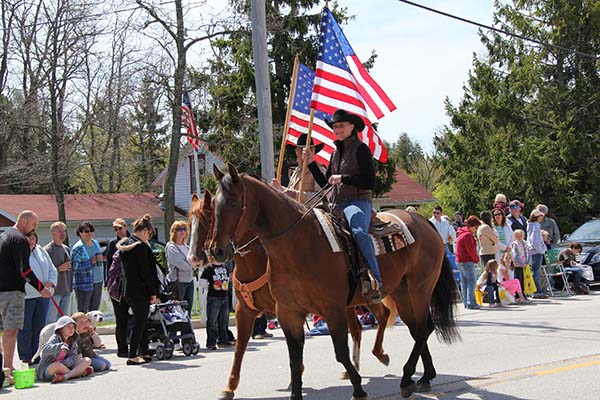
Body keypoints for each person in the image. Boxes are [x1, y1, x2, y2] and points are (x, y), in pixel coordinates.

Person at [305, 109, 382, 301]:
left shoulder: (361, 149)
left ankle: (375, 279)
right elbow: (325, 184)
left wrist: (343, 178)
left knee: (358, 232)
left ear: (352, 127)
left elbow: (370, 181)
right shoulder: (335, 153)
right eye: (335, 126)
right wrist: (311, 163)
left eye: (341, 125)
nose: (337, 129)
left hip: (357, 201)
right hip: (335, 204)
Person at [0, 210, 49, 384]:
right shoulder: (20, 239)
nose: (34, 228)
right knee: (11, 329)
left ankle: (5, 367)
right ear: (22, 221)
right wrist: (40, 288)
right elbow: (25, 270)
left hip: (2, 289)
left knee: (6, 329)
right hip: (12, 290)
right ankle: (7, 369)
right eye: (34, 224)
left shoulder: (5, 235)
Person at [117, 214, 160, 365]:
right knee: (140, 322)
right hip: (140, 290)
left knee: (140, 321)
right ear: (143, 231)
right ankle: (133, 354)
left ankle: (145, 352)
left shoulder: (126, 245)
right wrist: (153, 292)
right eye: (149, 233)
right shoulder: (141, 247)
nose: (148, 236)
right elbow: (147, 272)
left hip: (127, 290)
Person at [18, 231, 57, 364]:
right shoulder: (19, 253)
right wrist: (38, 286)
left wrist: (50, 283)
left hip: (44, 295)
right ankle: (26, 356)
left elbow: (52, 268)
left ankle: (37, 354)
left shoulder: (41, 250)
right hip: (27, 296)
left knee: (39, 327)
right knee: (26, 328)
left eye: (33, 237)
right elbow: (23, 273)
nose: (31, 240)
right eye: (28, 237)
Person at [272, 133, 327, 207]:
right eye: (300, 149)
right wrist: (280, 188)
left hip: (311, 214)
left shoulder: (319, 171)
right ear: (296, 152)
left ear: (312, 151)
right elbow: (290, 192)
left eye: (306, 149)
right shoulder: (296, 171)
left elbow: (321, 198)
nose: (303, 152)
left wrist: (296, 195)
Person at [36, 315, 92, 383]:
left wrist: (65, 363)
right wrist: (59, 347)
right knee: (57, 365)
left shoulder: (73, 340)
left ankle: (67, 376)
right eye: (68, 327)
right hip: (49, 369)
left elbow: (74, 357)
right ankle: (78, 373)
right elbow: (45, 349)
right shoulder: (55, 338)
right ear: (61, 328)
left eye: (73, 327)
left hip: (66, 367)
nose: (71, 329)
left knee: (87, 360)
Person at [166, 220, 197, 314]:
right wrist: (191, 265)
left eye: (184, 229)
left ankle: (187, 328)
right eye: (179, 229)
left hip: (189, 281)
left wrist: (191, 264)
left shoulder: (187, 247)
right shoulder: (171, 247)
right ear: (174, 232)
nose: (182, 231)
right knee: (178, 309)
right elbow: (179, 263)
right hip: (178, 282)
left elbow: (195, 262)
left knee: (188, 309)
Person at [71, 222, 103, 313]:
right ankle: (83, 327)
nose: (89, 233)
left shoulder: (95, 243)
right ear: (80, 233)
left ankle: (92, 327)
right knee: (83, 311)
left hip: (98, 280)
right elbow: (74, 267)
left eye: (91, 231)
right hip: (84, 283)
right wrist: (90, 262)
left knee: (95, 311)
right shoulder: (78, 248)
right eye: (86, 231)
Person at [200, 263, 233, 350]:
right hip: (214, 297)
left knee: (224, 320)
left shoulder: (224, 266)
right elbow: (202, 282)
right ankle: (211, 342)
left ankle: (223, 340)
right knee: (212, 321)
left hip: (224, 296)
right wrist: (211, 287)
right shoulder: (208, 268)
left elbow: (228, 278)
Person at [45, 222, 73, 323]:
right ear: (52, 233)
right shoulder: (47, 250)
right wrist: (59, 269)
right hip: (54, 292)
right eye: (59, 231)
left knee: (64, 321)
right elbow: (45, 272)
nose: (63, 234)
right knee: (51, 321)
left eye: (64, 231)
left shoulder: (66, 249)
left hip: (67, 290)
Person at [455, 215, 482, 310]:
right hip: (467, 261)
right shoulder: (468, 235)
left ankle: (466, 302)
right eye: (476, 227)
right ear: (472, 226)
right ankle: (472, 303)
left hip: (460, 261)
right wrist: (477, 260)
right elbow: (471, 250)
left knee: (464, 282)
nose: (476, 229)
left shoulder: (461, 234)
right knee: (471, 281)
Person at [527, 209, 548, 299]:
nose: (542, 217)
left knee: (535, 271)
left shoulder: (532, 225)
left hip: (534, 251)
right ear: (536, 217)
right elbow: (534, 241)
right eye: (541, 216)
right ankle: (536, 291)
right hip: (536, 252)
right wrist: (541, 249)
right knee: (535, 272)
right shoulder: (535, 226)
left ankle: (536, 290)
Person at [104, 218, 130, 286]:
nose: (118, 231)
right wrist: (108, 278)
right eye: (116, 229)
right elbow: (109, 261)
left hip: (131, 276)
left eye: (120, 228)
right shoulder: (112, 243)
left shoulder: (133, 241)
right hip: (117, 277)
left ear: (126, 227)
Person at [511, 229, 530, 301]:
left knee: (524, 280)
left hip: (525, 264)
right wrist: (522, 264)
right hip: (518, 265)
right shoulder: (515, 244)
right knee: (518, 279)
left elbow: (528, 253)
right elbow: (515, 256)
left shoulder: (525, 243)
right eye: (517, 236)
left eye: (521, 236)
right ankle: (517, 295)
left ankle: (523, 294)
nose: (519, 237)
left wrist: (527, 262)